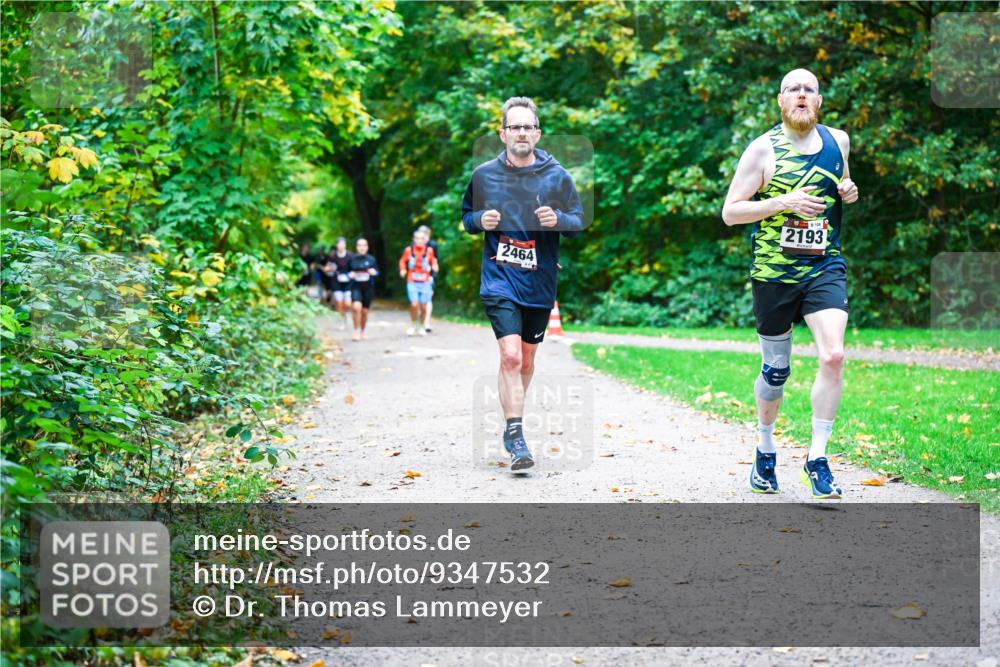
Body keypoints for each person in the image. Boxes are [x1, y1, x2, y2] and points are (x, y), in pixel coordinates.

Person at [721, 68, 859, 499]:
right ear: (781, 100)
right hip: (773, 275)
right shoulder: (761, 151)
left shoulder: (839, 142)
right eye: (793, 89)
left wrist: (849, 189)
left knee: (833, 355)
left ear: (819, 101)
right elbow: (730, 211)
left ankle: (817, 458)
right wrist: (782, 201)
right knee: (776, 372)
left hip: (823, 267)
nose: (802, 95)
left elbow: (843, 185)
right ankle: (764, 448)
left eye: (809, 89)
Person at [461, 96, 585, 472]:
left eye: (527, 127)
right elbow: (467, 217)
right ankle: (515, 433)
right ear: (502, 134)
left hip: (540, 280)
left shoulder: (557, 176)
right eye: (514, 127)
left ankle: (511, 417)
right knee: (510, 356)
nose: (521, 133)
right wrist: (480, 219)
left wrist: (558, 220)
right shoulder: (484, 175)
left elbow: (578, 221)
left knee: (526, 359)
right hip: (499, 279)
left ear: (538, 133)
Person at [399, 229, 439, 336]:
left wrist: (435, 266)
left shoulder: (429, 250)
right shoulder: (409, 250)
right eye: (417, 238)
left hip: (425, 282)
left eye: (422, 239)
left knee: (424, 306)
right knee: (414, 304)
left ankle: (421, 326)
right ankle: (413, 325)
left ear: (425, 240)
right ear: (414, 240)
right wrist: (402, 270)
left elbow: (433, 261)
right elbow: (402, 261)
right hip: (412, 281)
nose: (420, 241)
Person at [348, 238, 379, 342]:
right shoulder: (352, 259)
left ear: (367, 247)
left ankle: (363, 331)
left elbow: (377, 273)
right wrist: (350, 275)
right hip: (355, 287)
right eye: (360, 245)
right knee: (356, 307)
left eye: (364, 245)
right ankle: (356, 330)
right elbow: (346, 272)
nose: (362, 247)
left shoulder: (371, 259)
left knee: (365, 311)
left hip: (368, 287)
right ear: (357, 247)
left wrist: (374, 273)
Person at [416, 224, 440, 333]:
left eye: (425, 236)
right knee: (417, 300)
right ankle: (419, 321)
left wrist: (432, 275)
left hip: (428, 277)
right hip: (415, 278)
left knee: (428, 299)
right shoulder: (413, 246)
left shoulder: (433, 246)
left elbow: (436, 261)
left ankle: (426, 323)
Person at [328, 237, 353, 330]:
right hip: (336, 281)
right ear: (336, 245)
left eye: (343, 244)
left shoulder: (350, 255)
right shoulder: (332, 256)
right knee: (339, 303)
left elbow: (353, 267)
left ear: (345, 245)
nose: (341, 246)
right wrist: (329, 269)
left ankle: (347, 315)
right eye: (339, 244)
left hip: (348, 282)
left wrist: (352, 274)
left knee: (348, 303)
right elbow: (328, 267)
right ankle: (342, 320)